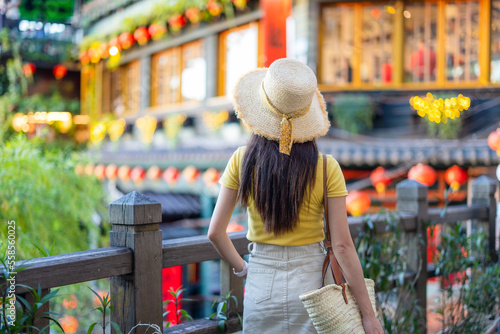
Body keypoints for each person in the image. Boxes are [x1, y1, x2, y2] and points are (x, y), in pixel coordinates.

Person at [208, 58, 383, 334]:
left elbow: (215, 233)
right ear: (306, 115)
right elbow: (342, 247)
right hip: (312, 287)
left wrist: (244, 270)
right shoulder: (327, 168)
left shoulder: (241, 161)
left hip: (261, 281)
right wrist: (369, 316)